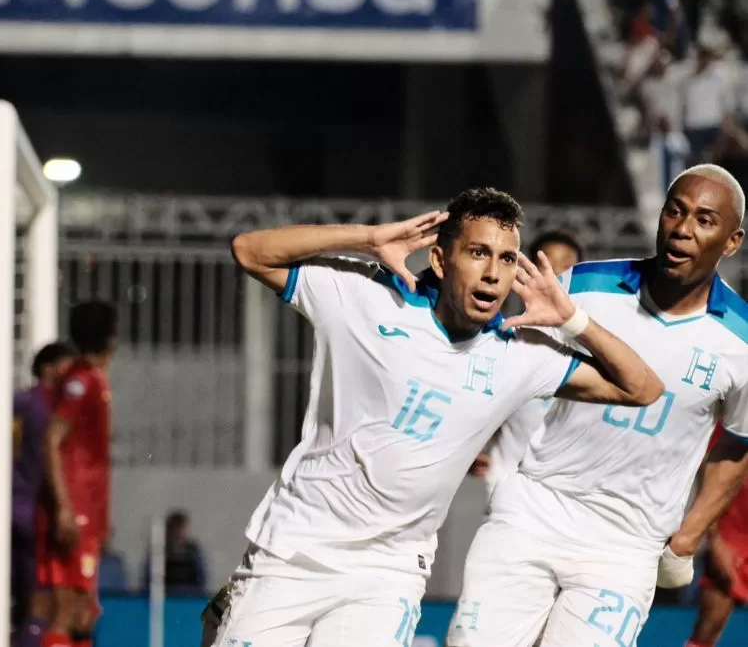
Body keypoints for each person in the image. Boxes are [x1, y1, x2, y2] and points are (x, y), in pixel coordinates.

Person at [205, 188, 662, 647]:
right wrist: (368, 238)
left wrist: (572, 318)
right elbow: (249, 251)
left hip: (390, 573)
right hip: (294, 550)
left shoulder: (520, 352)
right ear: (440, 261)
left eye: (507, 259)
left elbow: (642, 387)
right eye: (478, 253)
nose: (492, 273)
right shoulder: (369, 296)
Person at [447, 164, 748, 647]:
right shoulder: (583, 287)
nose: (684, 229)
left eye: (705, 220)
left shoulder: (741, 340)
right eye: (675, 211)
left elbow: (739, 438)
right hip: (535, 508)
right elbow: (507, 366)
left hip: (627, 543)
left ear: (731, 242)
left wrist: (691, 533)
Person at [470, 231, 584, 498]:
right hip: (509, 487)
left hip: (574, 495)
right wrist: (470, 450)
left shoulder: (599, 346)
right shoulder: (500, 340)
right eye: (546, 265)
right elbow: (478, 405)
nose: (555, 276)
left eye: (567, 265)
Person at [36, 302, 117, 647]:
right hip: (74, 510)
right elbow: (53, 439)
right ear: (112, 338)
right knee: (66, 612)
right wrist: (65, 508)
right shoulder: (81, 381)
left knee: (84, 613)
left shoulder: (91, 379)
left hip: (88, 513)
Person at [13, 342, 76, 647]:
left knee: (29, 601)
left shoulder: (21, 402)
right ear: (48, 368)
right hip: (37, 515)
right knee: (44, 601)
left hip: (20, 509)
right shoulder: (48, 405)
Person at [686, 424, 748, 647]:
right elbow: (711, 474)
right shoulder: (738, 419)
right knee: (708, 628)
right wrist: (715, 539)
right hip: (732, 540)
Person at [143, 510, 208, 595]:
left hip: (190, 597)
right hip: (166, 597)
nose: (178, 532)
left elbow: (202, 579)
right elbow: (149, 579)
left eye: (181, 528)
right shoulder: (159, 551)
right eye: (175, 528)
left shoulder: (194, 552)